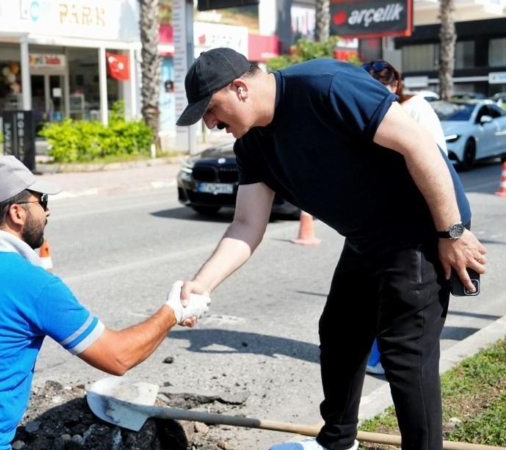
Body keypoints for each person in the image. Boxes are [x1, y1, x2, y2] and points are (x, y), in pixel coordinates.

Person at [174, 48, 487, 450]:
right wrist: (201, 284)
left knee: (405, 352)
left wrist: (452, 232)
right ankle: (338, 442)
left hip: (421, 227)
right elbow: (247, 224)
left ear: (240, 89)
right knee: (339, 333)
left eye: (211, 110)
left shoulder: (326, 86)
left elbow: (418, 145)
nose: (210, 122)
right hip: (366, 236)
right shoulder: (251, 145)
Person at [0, 155, 210, 450]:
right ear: (17, 213)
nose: (48, 210)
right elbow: (118, 357)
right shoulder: (34, 285)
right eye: (42, 200)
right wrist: (174, 311)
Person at [362, 59, 451, 375]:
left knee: (409, 297)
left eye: (382, 86)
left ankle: (401, 364)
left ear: (395, 86)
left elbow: (435, 158)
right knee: (382, 292)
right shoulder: (363, 109)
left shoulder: (414, 108)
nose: (377, 93)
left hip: (418, 214)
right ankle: (380, 358)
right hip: (384, 216)